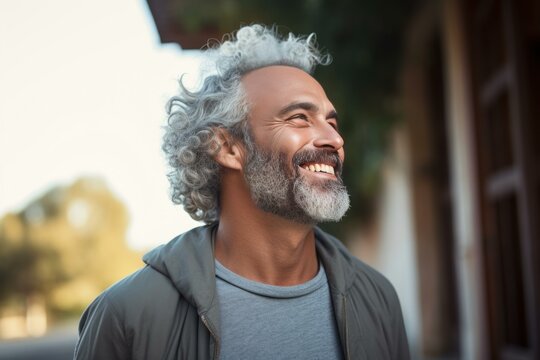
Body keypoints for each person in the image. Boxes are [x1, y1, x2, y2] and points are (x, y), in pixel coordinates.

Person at [74, 24, 410, 360]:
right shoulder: (127, 315)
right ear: (227, 147)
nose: (334, 140)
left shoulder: (377, 298)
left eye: (332, 123)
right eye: (298, 117)